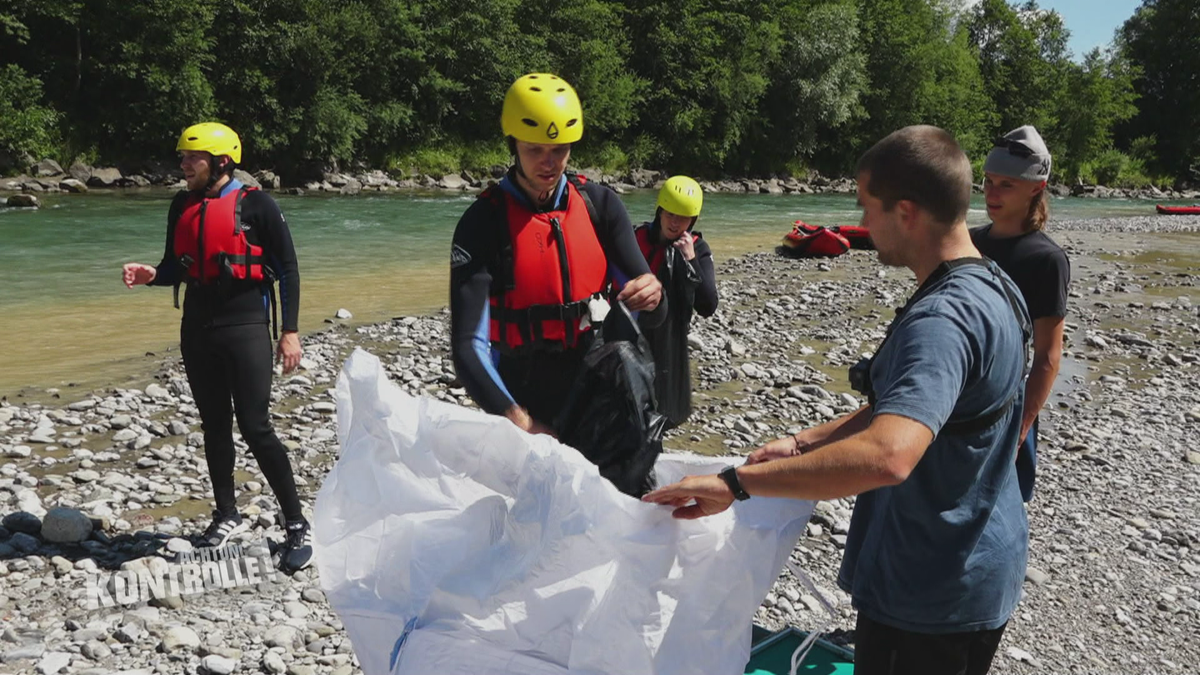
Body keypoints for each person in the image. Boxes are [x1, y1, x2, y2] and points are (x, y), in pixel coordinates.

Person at [644, 125, 1031, 675]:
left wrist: (734, 485)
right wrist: (804, 442)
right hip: (978, 566)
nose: (861, 225)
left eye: (866, 208)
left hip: (930, 593)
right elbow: (915, 410)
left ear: (906, 212)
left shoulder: (943, 320)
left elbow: (889, 454)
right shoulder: (994, 281)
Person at [121, 122, 312, 572]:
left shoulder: (258, 204)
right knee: (213, 425)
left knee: (256, 426)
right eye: (183, 157)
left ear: (221, 161)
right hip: (198, 330)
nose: (184, 165)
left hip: (245, 328)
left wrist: (290, 330)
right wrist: (153, 275)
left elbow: (287, 270)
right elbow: (174, 266)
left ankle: (298, 525)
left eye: (193, 158)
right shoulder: (181, 205)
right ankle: (227, 514)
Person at [449, 73, 664, 436]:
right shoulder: (481, 223)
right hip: (522, 390)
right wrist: (518, 419)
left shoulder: (601, 205)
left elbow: (654, 317)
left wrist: (654, 295)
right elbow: (468, 346)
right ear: (513, 144)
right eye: (535, 149)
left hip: (595, 379)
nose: (549, 163)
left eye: (560, 150)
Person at [972, 125, 1070, 502]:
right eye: (988, 181)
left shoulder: (1046, 260)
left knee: (999, 507)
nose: (992, 193)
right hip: (957, 389)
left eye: (1006, 185)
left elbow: (1048, 355)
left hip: (1005, 400)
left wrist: (1022, 425)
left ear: (1036, 188)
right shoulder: (970, 241)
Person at [635, 176, 718, 428]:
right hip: (632, 330)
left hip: (669, 338)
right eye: (670, 214)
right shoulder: (636, 237)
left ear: (692, 221)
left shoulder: (697, 248)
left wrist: (691, 260)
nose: (674, 222)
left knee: (662, 413)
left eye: (682, 218)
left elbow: (708, 306)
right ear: (659, 211)